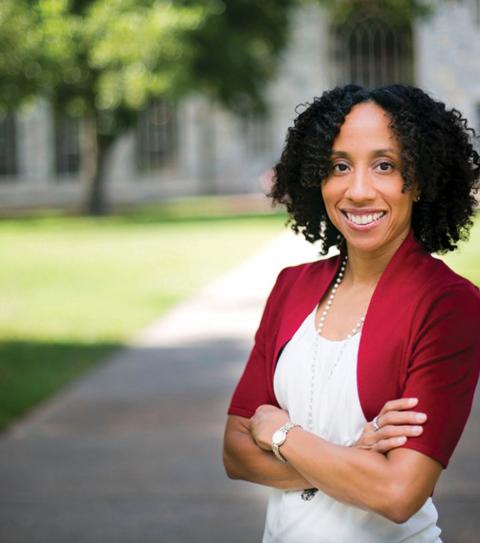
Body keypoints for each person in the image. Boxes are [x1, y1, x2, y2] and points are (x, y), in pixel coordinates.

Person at [223, 84, 480, 542]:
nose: (358, 191)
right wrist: (351, 458)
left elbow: (400, 493)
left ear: (418, 180)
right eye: (339, 166)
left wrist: (282, 436)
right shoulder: (292, 286)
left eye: (385, 166)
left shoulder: (447, 304)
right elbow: (236, 453)